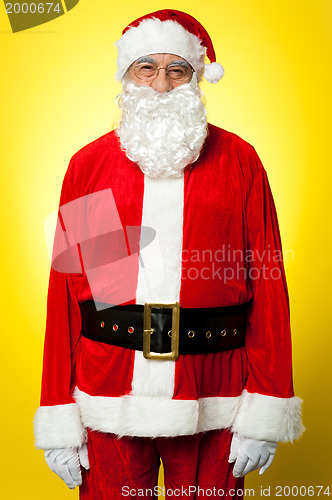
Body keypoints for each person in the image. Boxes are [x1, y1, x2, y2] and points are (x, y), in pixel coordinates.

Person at [34, 9, 304, 499]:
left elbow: (269, 286)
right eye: (147, 68)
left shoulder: (240, 161)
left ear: (196, 78)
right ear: (126, 75)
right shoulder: (90, 165)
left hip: (214, 387)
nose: (161, 84)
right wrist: (58, 412)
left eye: (177, 69)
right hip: (108, 388)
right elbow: (66, 296)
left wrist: (268, 404)